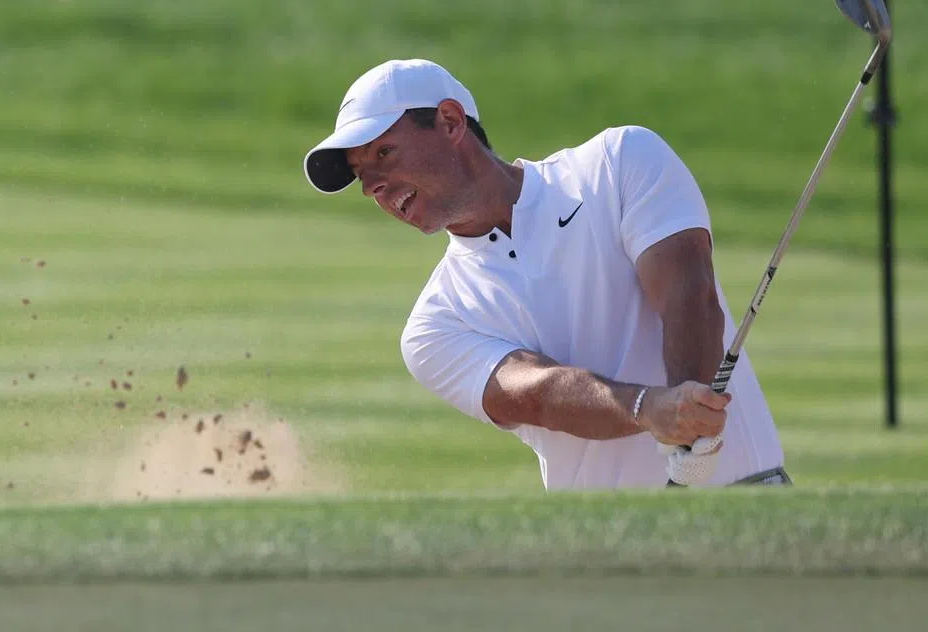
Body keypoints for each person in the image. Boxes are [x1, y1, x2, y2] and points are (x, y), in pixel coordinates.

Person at [303, 58, 789, 489]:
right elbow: (539, 394)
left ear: (450, 121)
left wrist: (691, 414)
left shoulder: (618, 163)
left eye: (384, 154)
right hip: (608, 549)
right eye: (362, 176)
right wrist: (651, 409)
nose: (373, 187)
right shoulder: (435, 325)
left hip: (749, 502)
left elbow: (688, 295)